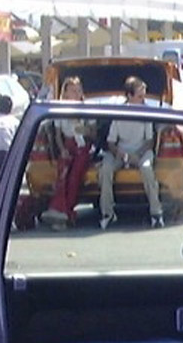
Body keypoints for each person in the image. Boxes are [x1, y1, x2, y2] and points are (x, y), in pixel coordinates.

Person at [99, 76, 163, 229]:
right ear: (129, 96)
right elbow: (111, 142)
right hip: (120, 153)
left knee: (147, 169)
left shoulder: (146, 111)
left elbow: (149, 141)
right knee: (105, 169)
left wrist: (137, 156)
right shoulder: (119, 113)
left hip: (142, 152)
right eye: (140, 96)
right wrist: (123, 156)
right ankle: (107, 213)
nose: (143, 99)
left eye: (144, 95)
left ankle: (156, 213)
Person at [41, 76, 92, 228]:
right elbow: (57, 135)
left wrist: (84, 129)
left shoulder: (87, 108)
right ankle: (58, 210)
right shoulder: (60, 109)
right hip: (67, 145)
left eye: (78, 90)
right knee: (63, 174)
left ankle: (67, 211)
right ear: (66, 94)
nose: (77, 94)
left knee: (75, 176)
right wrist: (62, 150)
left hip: (83, 146)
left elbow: (93, 133)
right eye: (73, 91)